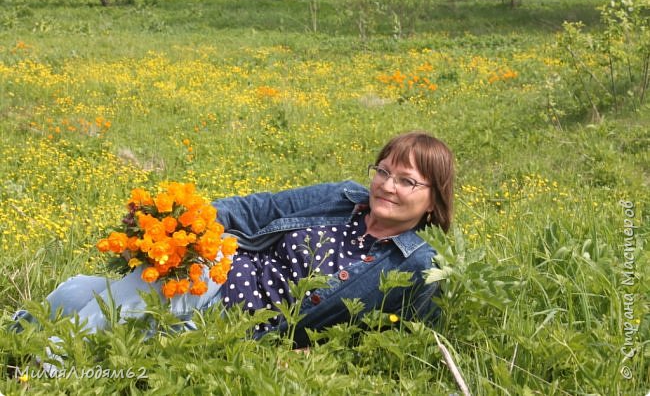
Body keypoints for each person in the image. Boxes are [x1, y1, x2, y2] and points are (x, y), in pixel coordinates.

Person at [12, 131, 454, 348]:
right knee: (74, 292)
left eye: (406, 181)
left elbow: (414, 338)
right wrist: (187, 220)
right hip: (216, 269)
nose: (387, 186)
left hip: (235, 318)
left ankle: (47, 371)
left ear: (433, 200)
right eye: (383, 171)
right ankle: (13, 339)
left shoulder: (414, 265)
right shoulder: (342, 198)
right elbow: (260, 209)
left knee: (127, 300)